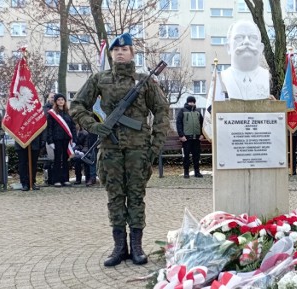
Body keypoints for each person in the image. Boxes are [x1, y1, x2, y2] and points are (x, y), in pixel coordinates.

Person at [70, 32, 169, 267]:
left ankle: (136, 246)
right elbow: (77, 106)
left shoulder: (145, 81)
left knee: (136, 196)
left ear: (132, 53)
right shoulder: (99, 79)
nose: (120, 53)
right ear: (111, 54)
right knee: (115, 197)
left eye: (125, 49)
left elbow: (163, 112)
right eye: (116, 50)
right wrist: (94, 125)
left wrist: (154, 147)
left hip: (139, 150)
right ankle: (119, 247)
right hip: (110, 149)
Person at [220, 20, 270, 100]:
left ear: (261, 48)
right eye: (239, 37)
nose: (246, 42)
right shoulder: (226, 76)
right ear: (228, 47)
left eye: (253, 38)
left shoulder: (265, 76)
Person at [46, 93, 77, 187]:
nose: (61, 101)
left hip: (66, 140)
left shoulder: (68, 113)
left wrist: (74, 140)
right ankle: (56, 180)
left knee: (65, 160)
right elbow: (49, 128)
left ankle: (65, 179)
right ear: (55, 102)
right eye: (59, 100)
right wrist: (50, 141)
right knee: (57, 160)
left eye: (62, 100)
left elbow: (73, 127)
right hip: (57, 140)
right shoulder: (52, 113)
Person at [176, 96, 204, 178]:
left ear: (195, 103)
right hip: (186, 139)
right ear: (187, 102)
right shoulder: (182, 111)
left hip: (197, 138)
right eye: (190, 102)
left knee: (196, 156)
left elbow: (202, 124)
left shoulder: (198, 112)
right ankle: (186, 173)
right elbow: (179, 123)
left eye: (193, 102)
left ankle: (197, 172)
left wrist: (202, 134)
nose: (191, 103)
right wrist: (181, 135)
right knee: (186, 157)